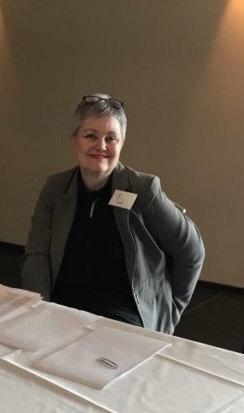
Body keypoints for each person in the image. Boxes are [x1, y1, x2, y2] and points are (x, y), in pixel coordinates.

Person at [22, 94, 205, 334]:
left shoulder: (143, 189)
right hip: (63, 308)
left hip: (123, 315)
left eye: (111, 138)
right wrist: (39, 311)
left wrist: (171, 310)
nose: (101, 146)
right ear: (74, 140)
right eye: (91, 136)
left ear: (121, 143)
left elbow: (191, 252)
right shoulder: (55, 189)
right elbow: (37, 256)